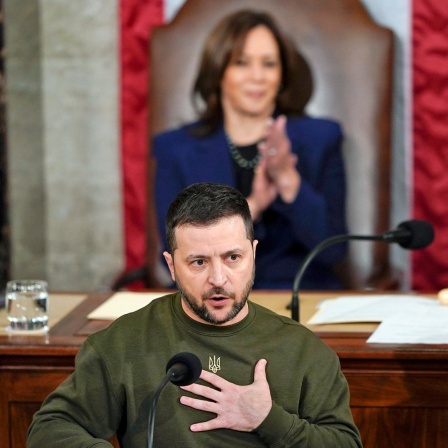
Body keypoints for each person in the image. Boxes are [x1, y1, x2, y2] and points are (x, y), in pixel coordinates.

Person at [27, 183, 362, 447]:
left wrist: (267, 418)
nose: (218, 279)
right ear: (172, 266)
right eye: (199, 262)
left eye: (233, 257)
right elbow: (51, 429)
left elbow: (345, 443)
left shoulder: (303, 350)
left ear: (253, 255)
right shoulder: (125, 341)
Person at [153, 9, 348, 290]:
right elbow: (173, 255)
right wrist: (253, 205)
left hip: (297, 297)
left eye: (269, 64)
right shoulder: (175, 149)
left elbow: (333, 251)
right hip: (210, 303)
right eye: (241, 63)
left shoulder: (321, 138)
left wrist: (289, 183)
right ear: (218, 71)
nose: (257, 76)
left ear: (281, 75)